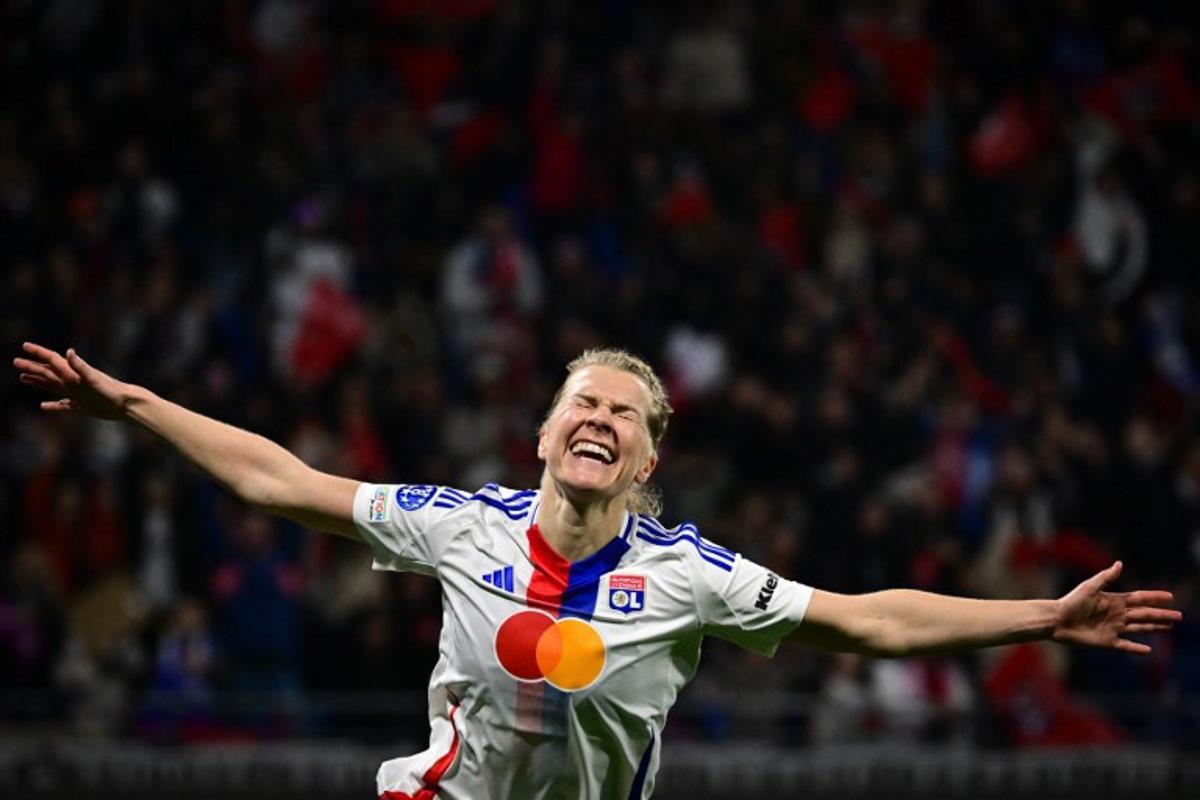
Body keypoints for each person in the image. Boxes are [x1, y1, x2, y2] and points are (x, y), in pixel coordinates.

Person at [13, 342, 1182, 799]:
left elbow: (869, 621)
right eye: (583, 401)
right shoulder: (457, 524)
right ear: (543, 433)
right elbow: (281, 481)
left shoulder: (690, 575)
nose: (601, 417)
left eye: (626, 411)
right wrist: (132, 403)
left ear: (647, 456)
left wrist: (1041, 615)